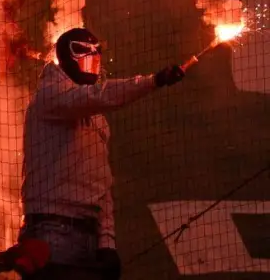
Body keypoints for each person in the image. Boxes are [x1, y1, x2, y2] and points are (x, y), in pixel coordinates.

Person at [22, 28, 186, 280]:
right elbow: (100, 95)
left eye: (96, 54)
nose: (92, 60)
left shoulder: (96, 116)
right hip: (51, 229)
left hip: (89, 232)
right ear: (66, 57)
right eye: (83, 52)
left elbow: (102, 182)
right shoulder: (49, 96)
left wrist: (106, 242)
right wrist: (154, 81)